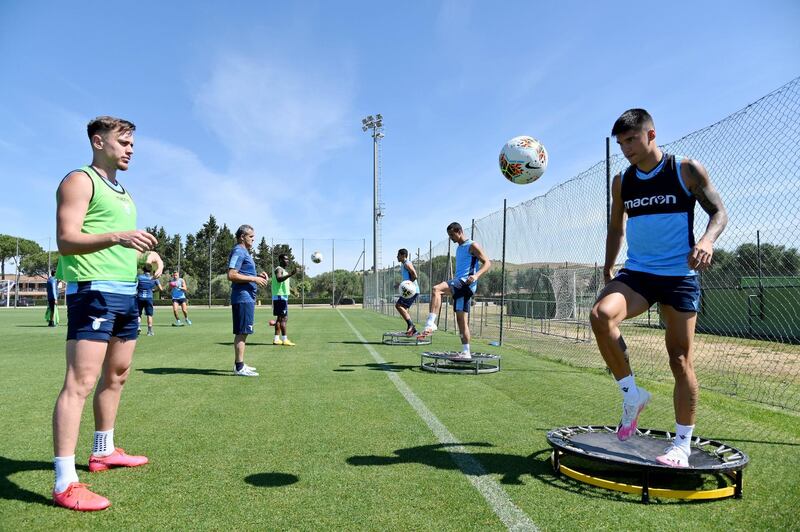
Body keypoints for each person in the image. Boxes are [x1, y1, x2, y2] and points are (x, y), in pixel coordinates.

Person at [590, 108, 728, 468]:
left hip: (679, 276)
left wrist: (708, 241)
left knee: (680, 360)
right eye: (620, 143)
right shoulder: (623, 181)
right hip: (638, 273)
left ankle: (682, 445)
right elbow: (616, 228)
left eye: (631, 140)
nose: (626, 149)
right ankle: (631, 395)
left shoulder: (685, 170)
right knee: (601, 316)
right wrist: (608, 263)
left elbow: (719, 213)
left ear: (651, 135)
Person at [52, 116, 159, 511]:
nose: (130, 149)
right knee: (79, 382)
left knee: (117, 376)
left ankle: (103, 451)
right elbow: (67, 240)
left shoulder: (124, 193)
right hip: (93, 293)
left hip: (125, 294)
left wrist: (146, 256)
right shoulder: (80, 180)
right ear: (99, 142)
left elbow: (124, 248)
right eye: (124, 142)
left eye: (133, 143)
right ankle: (65, 481)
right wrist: (119, 236)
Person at [420, 223, 492, 360]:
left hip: (466, 283)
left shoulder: (472, 245)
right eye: (449, 236)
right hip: (461, 285)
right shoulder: (459, 248)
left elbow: (487, 262)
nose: (451, 238)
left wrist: (476, 276)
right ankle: (466, 352)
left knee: (437, 289)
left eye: (452, 235)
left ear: (459, 231)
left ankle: (431, 322)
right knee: (461, 321)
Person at [227, 225, 269, 376]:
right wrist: (254, 278)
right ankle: (239, 367)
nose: (253, 239)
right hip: (242, 297)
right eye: (251, 236)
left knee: (244, 332)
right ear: (242, 237)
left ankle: (240, 364)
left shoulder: (245, 252)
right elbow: (231, 274)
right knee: (241, 332)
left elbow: (244, 273)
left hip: (247, 297)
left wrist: (259, 275)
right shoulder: (239, 251)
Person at [272, 253, 298, 346]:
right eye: (285, 259)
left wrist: (293, 291)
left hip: (282, 296)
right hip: (280, 297)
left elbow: (284, 284)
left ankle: (276, 339)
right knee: (284, 318)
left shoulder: (284, 271)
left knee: (279, 319)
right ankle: (285, 339)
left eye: (288, 259)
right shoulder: (279, 269)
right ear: (280, 260)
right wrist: (291, 274)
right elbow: (279, 279)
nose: (287, 261)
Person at [395, 248, 420, 335]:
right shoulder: (403, 264)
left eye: (398, 255)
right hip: (409, 290)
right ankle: (412, 329)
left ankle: (411, 326)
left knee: (398, 305)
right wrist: (401, 284)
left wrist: (409, 284)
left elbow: (414, 275)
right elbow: (408, 278)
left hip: (411, 291)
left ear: (403, 256)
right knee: (403, 308)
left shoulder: (407, 264)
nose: (397, 257)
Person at [136, 260, 163, 336]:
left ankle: (138, 327)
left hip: (140, 297)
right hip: (149, 298)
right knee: (149, 315)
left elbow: (135, 286)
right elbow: (161, 289)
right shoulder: (153, 278)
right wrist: (153, 290)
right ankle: (149, 331)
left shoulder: (139, 277)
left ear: (143, 270)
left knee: (138, 314)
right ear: (150, 270)